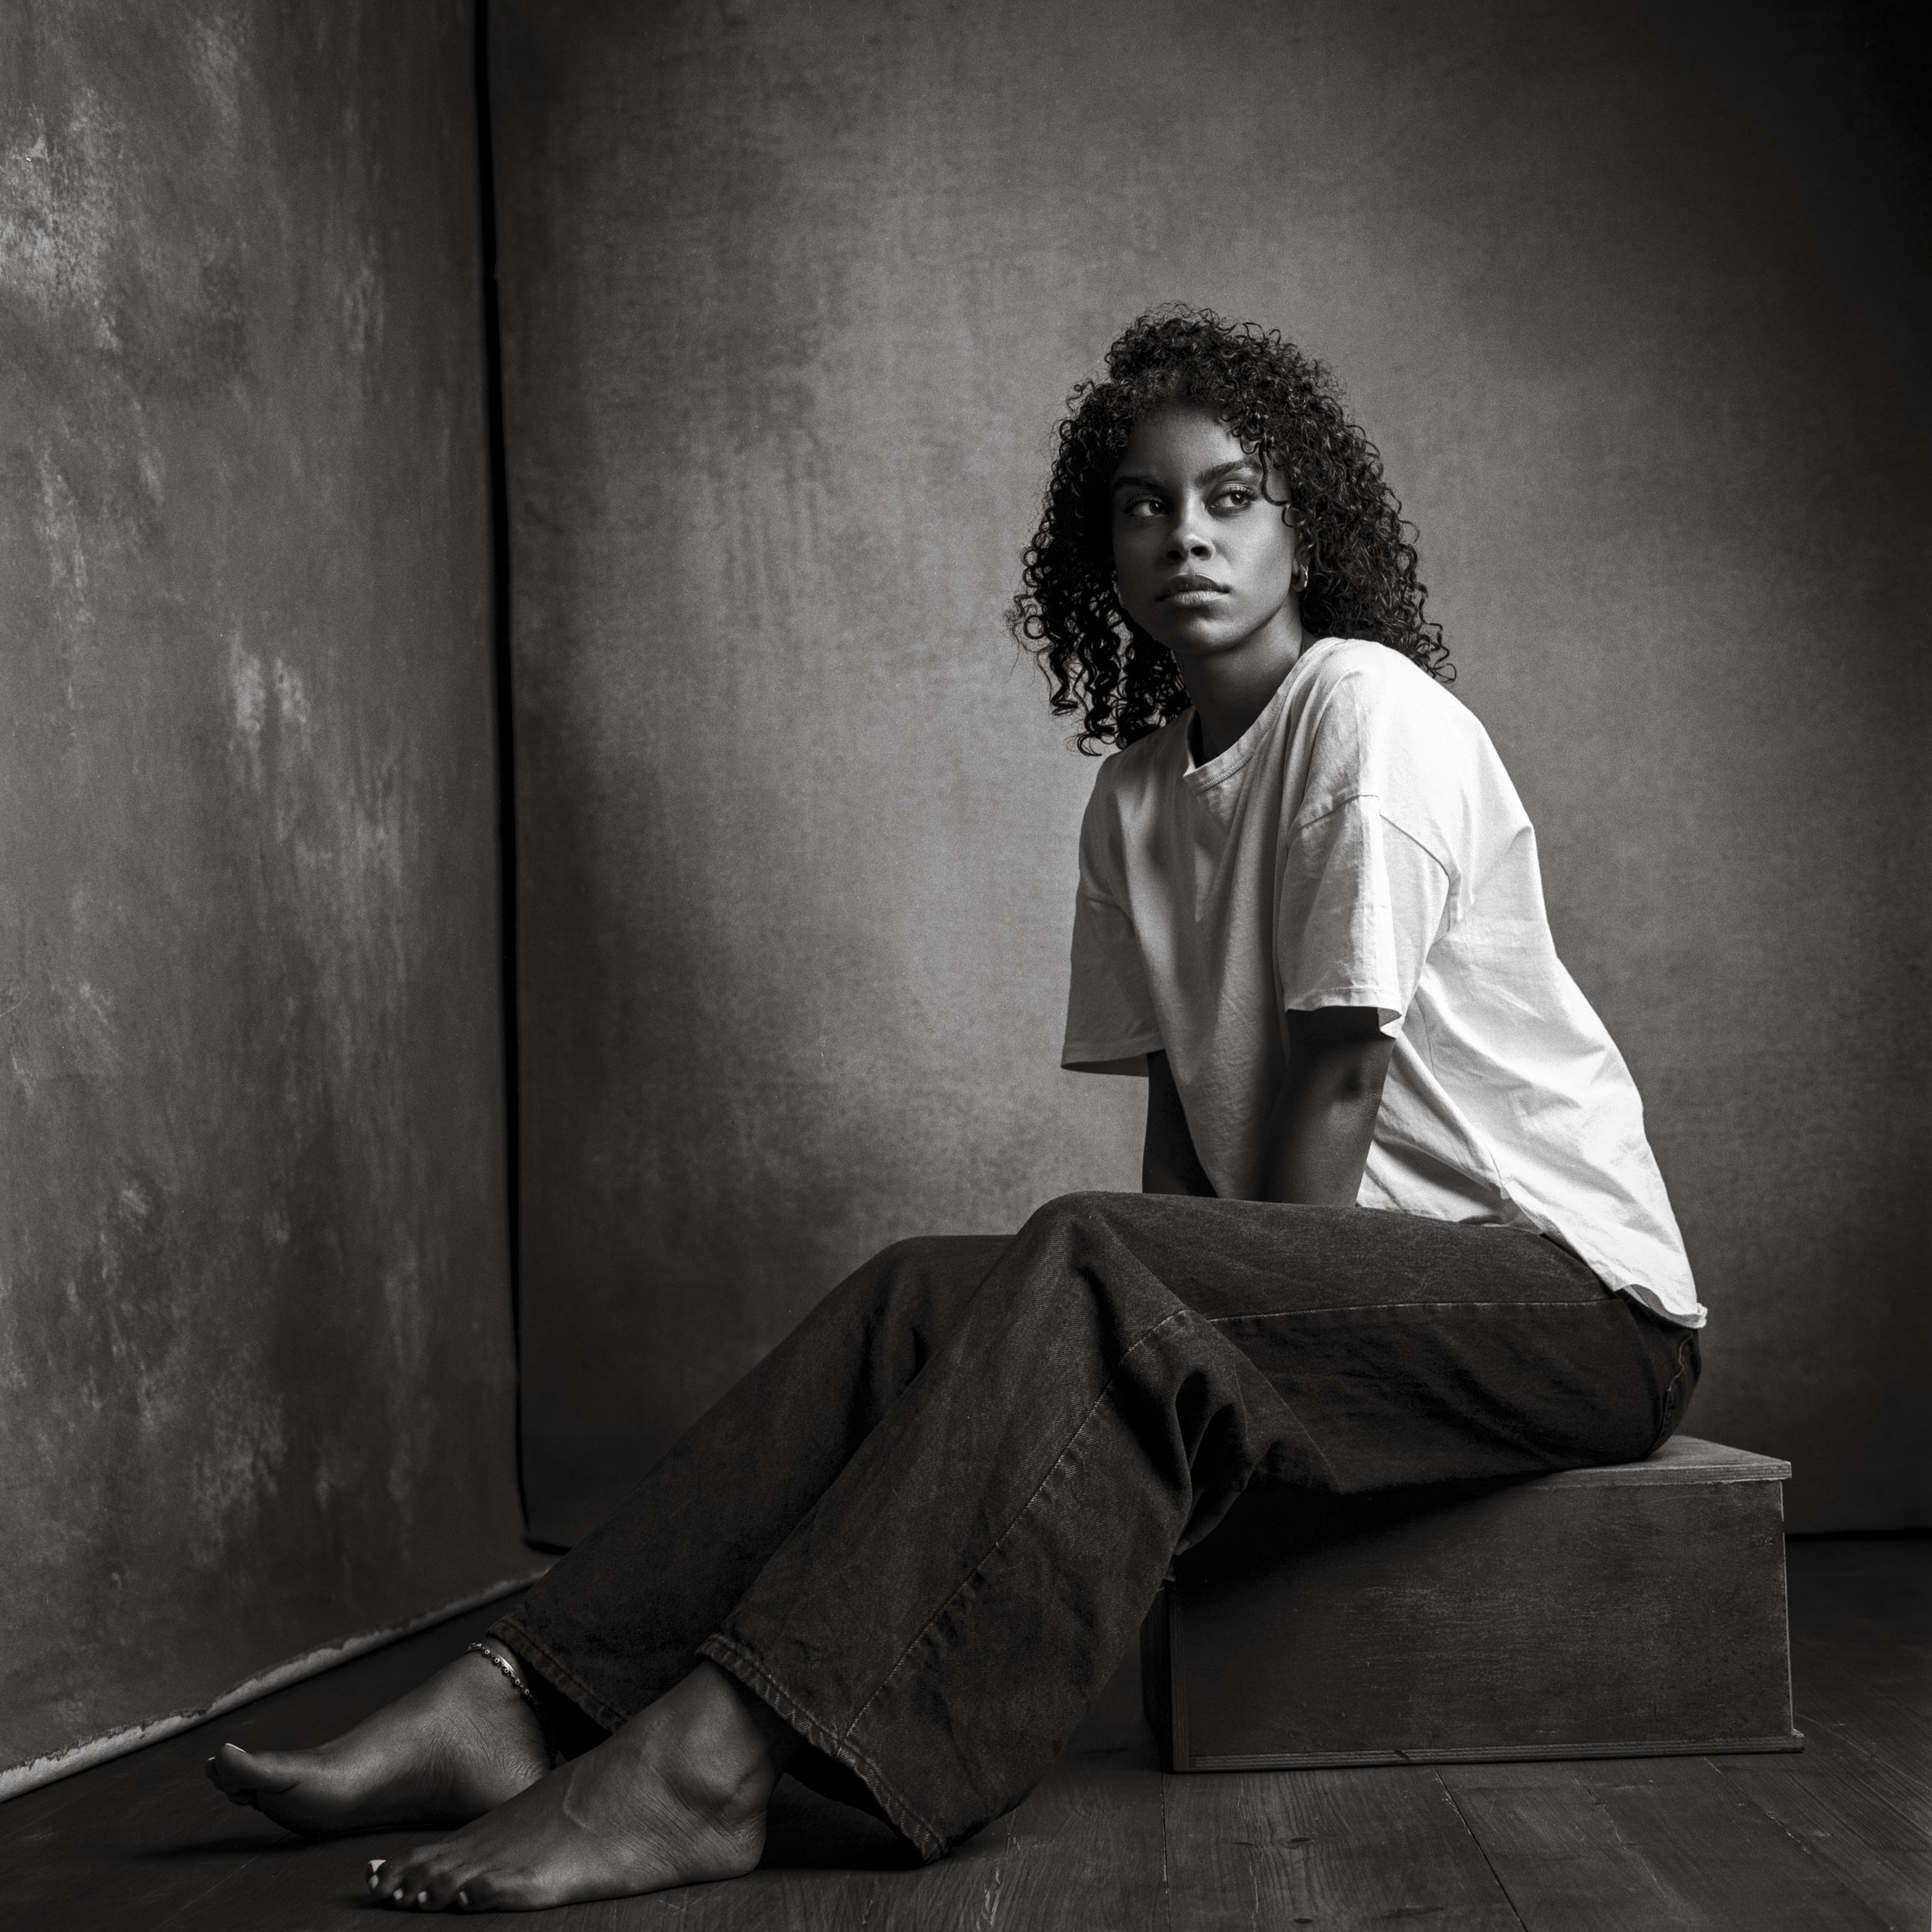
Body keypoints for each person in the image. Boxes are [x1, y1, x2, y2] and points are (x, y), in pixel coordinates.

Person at [205, 309, 1703, 1912]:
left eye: (1230, 497)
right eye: (1143, 505)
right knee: (920, 1295)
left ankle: (706, 1768)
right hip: (1343, 1288)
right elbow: (1185, 1134)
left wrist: (1197, 1333)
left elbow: (1335, 1079)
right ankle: (522, 1697)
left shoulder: (1367, 711)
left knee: (1097, 1262)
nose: (1186, 534)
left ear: (1303, 530)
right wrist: (1172, 1306)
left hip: (1566, 1301)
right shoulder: (1139, 795)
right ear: (1099, 552)